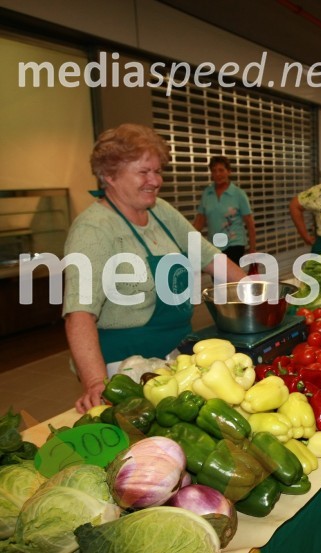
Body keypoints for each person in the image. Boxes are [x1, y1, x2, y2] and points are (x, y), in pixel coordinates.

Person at [63, 124, 247, 413]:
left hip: (175, 354)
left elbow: (210, 257)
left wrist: (257, 293)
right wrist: (96, 383)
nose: (155, 181)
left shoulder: (159, 211)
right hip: (124, 368)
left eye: (157, 171)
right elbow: (79, 315)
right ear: (109, 175)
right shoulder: (93, 230)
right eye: (143, 172)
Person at [193, 156, 256, 266]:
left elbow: (250, 224)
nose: (217, 174)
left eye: (221, 170)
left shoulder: (238, 194)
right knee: (217, 280)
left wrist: (252, 250)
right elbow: (199, 222)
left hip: (234, 244)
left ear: (229, 172)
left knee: (230, 280)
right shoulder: (207, 194)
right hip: (214, 246)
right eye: (214, 171)